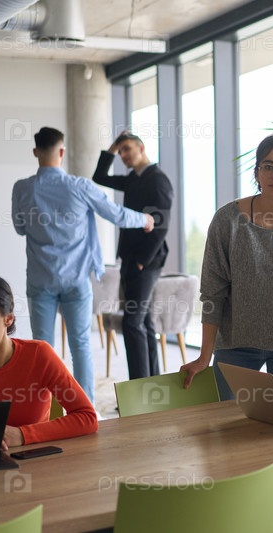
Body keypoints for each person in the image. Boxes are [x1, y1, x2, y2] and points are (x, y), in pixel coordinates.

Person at [12, 127, 154, 403]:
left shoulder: (22, 188)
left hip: (40, 278)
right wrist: (144, 219)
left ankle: (43, 409)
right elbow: (116, 215)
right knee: (81, 345)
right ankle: (84, 407)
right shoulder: (80, 187)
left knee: (42, 346)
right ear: (62, 152)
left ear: (35, 152)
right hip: (76, 278)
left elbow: (19, 228)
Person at [181, 135, 273, 398]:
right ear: (257, 173)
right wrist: (204, 357)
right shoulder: (227, 219)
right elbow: (213, 293)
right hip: (235, 342)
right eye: (268, 166)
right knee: (227, 418)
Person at [0, 273, 98, 448]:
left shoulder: (39, 355)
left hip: (34, 457)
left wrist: (22, 435)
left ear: (8, 319)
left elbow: (87, 417)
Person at [92, 131, 174, 380]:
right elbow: (99, 177)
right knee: (144, 323)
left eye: (127, 149)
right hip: (131, 259)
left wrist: (140, 261)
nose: (123, 155)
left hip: (145, 261)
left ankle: (139, 387)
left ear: (141, 147)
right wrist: (111, 148)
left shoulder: (157, 179)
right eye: (121, 151)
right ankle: (153, 383)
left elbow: (161, 226)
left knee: (132, 322)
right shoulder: (133, 179)